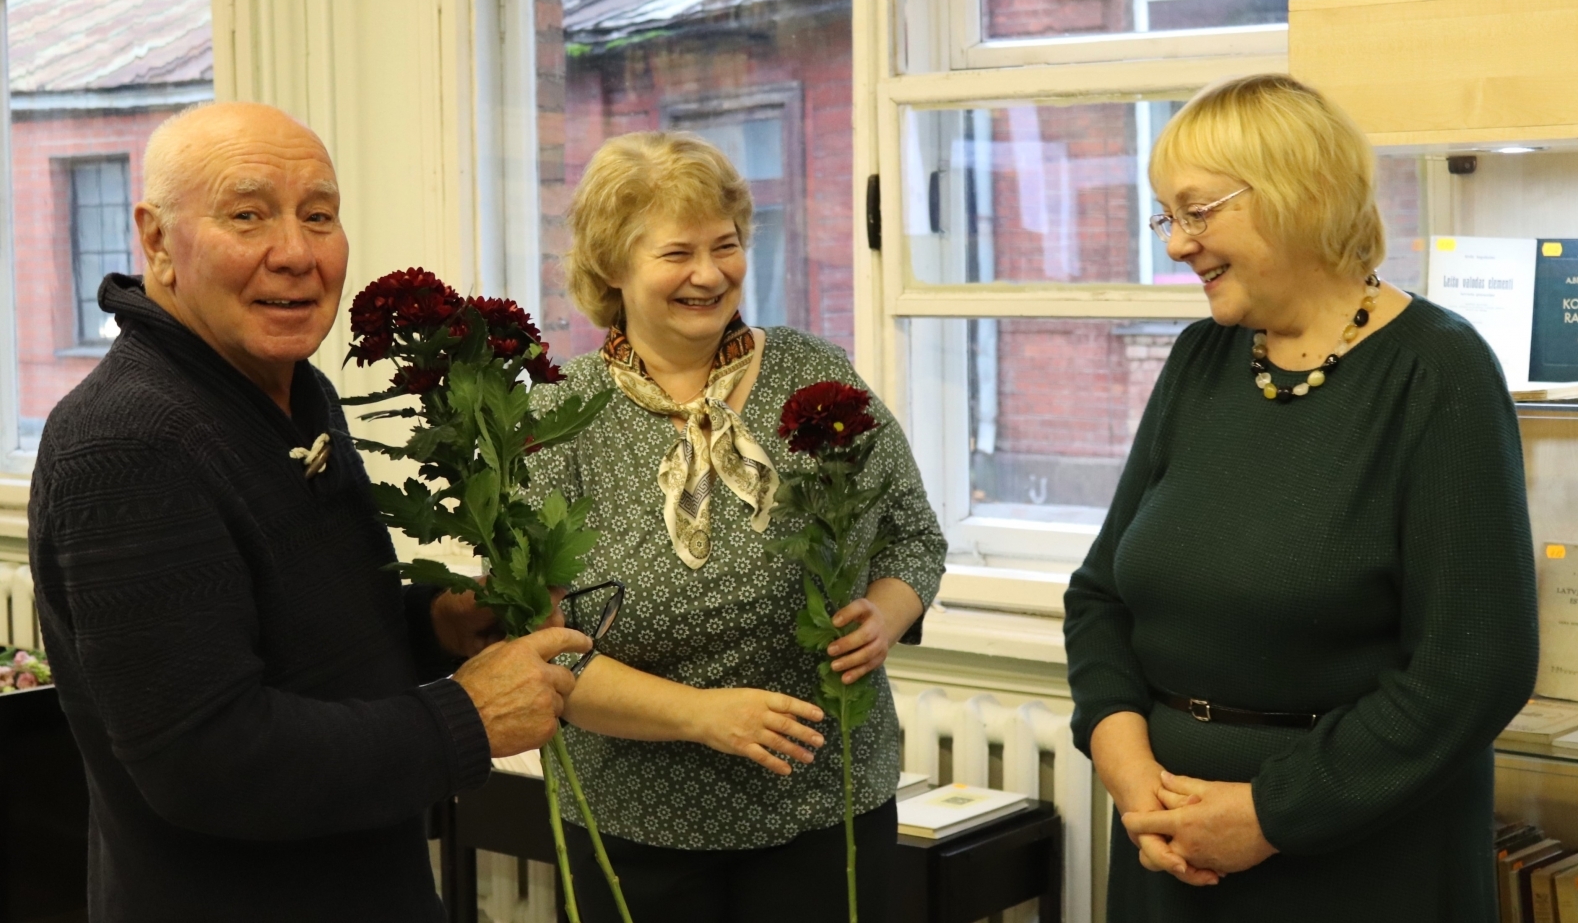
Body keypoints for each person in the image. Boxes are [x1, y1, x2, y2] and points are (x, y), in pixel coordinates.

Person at [27, 102, 592, 923]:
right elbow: (209, 761)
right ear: (155, 241)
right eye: (247, 215)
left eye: (318, 216)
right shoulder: (127, 447)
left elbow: (299, 641)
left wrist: (436, 625)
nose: (294, 254)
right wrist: (465, 718)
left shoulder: (289, 390)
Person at [1062, 74, 1538, 921]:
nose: (1176, 245)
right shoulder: (1198, 362)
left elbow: (1472, 668)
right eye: (1166, 217)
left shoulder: (1441, 372)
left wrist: (1271, 815)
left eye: (1198, 212)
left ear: (1299, 193)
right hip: (1165, 849)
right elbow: (1100, 596)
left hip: (1359, 858)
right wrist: (1129, 771)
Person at [524, 131, 946, 923]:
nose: (710, 274)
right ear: (613, 266)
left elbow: (913, 538)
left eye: (727, 245)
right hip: (633, 823)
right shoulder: (557, 417)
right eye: (676, 252)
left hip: (827, 803)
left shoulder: (815, 376)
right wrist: (703, 714)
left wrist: (885, 615)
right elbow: (545, 654)